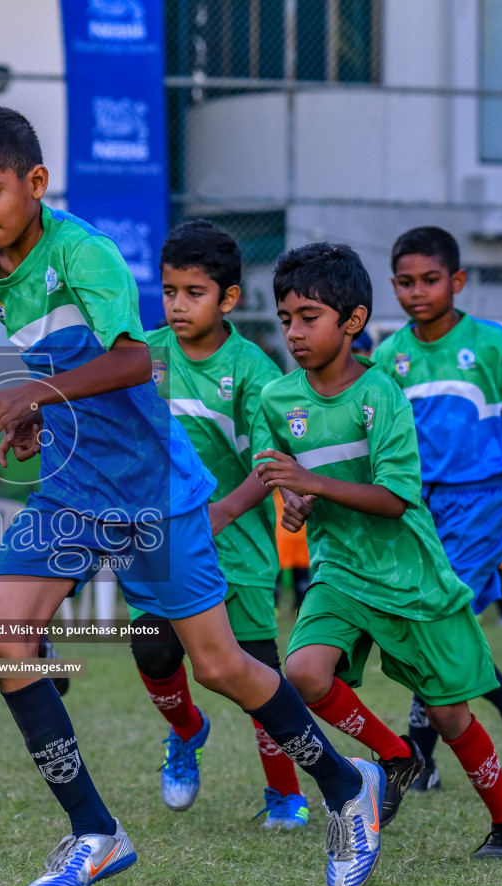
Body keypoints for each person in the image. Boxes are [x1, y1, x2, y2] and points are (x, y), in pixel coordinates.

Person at [0, 106, 386, 886]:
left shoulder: (86, 253)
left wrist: (32, 393)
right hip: (73, 487)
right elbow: (64, 364)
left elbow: (135, 360)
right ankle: (94, 832)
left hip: (153, 491)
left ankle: (348, 788)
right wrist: (36, 410)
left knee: (219, 666)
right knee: (0, 638)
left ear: (35, 184)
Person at [258, 241, 502, 859]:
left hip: (408, 575)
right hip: (340, 570)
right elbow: (284, 481)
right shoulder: (278, 399)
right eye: (286, 320)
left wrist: (312, 484)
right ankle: (392, 754)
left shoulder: (381, 394)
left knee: (449, 714)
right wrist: (296, 502)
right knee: (304, 673)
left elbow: (395, 498)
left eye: (310, 317)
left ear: (353, 322)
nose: (295, 333)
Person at [130, 219, 310, 831]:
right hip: (162, 545)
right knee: (152, 651)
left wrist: (223, 512)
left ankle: (284, 794)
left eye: (194, 292)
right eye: (168, 291)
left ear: (228, 298)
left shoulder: (254, 370)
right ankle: (186, 732)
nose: (178, 305)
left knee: (257, 668)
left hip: (238, 546)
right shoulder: (143, 356)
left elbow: (272, 462)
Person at [372, 226, 502, 787]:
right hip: (416, 508)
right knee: (426, 621)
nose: (418, 292)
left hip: (483, 503)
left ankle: (420, 759)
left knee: (436, 616)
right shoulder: (389, 355)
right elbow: (375, 431)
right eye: (405, 282)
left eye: (430, 280)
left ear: (457, 281)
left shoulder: (492, 345)